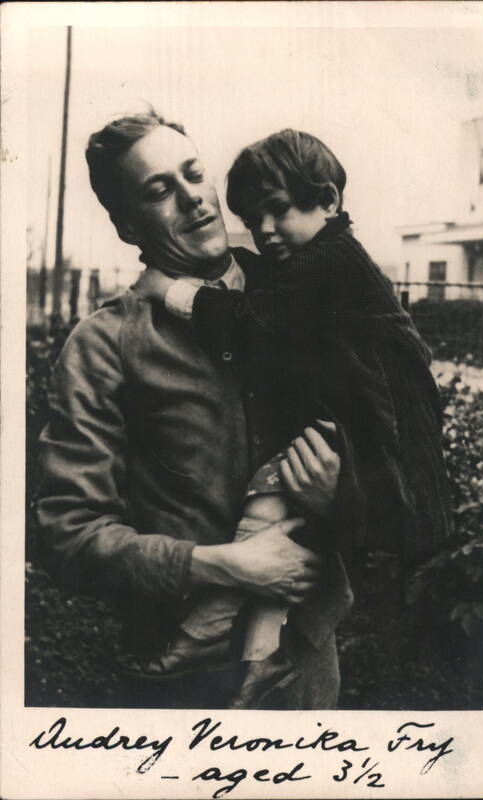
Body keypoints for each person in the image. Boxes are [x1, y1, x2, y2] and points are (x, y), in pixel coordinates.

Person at [35, 111, 352, 711]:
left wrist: (345, 485)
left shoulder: (310, 296)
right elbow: (68, 537)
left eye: (194, 173)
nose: (193, 200)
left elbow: (394, 428)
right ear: (128, 225)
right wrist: (227, 567)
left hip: (307, 666)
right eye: (159, 190)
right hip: (181, 681)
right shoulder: (104, 343)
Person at [132, 129, 453, 705]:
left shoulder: (328, 259)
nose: (265, 231)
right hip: (359, 422)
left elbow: (254, 322)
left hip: (377, 428)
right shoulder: (320, 259)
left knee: (270, 500)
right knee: (285, 536)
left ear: (328, 201)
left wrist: (169, 292)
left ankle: (206, 630)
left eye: (278, 210)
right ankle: (260, 658)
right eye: (254, 220)